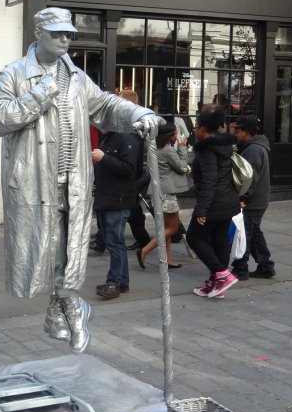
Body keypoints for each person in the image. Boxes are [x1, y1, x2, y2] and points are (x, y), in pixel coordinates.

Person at [0, 7, 161, 353]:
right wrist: (42, 92)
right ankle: (68, 308)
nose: (66, 39)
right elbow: (0, 119)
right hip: (36, 181)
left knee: (71, 249)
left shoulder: (79, 78)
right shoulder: (14, 75)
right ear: (38, 33)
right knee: (47, 249)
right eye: (57, 33)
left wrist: (139, 112)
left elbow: (107, 107)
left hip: (75, 180)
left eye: (69, 33)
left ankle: (63, 310)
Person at [187, 105, 242, 299]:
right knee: (219, 240)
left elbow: (210, 181)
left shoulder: (208, 151)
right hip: (228, 201)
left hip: (214, 203)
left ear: (202, 127)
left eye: (196, 126)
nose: (195, 129)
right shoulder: (223, 146)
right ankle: (217, 284)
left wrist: (201, 210)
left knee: (194, 237)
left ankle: (222, 275)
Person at [91, 128, 140, 300]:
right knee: (115, 242)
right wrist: (96, 184)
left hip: (118, 200)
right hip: (106, 198)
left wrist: (104, 158)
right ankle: (122, 282)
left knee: (114, 243)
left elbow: (129, 169)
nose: (99, 123)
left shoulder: (127, 139)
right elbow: (105, 170)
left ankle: (113, 283)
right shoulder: (108, 139)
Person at [139, 122, 190, 270]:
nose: (176, 137)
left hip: (156, 191)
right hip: (167, 192)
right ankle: (145, 250)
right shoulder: (168, 150)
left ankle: (167, 259)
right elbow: (182, 167)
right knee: (173, 228)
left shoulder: (153, 148)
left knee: (166, 227)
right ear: (169, 136)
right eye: (175, 134)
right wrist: (182, 148)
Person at [230, 115, 275, 280]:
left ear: (246, 132)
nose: (235, 134)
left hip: (252, 201)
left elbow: (250, 178)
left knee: (244, 235)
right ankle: (266, 265)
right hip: (258, 199)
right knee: (254, 232)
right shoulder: (253, 147)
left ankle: (240, 268)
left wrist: (243, 198)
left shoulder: (253, 150)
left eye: (237, 130)